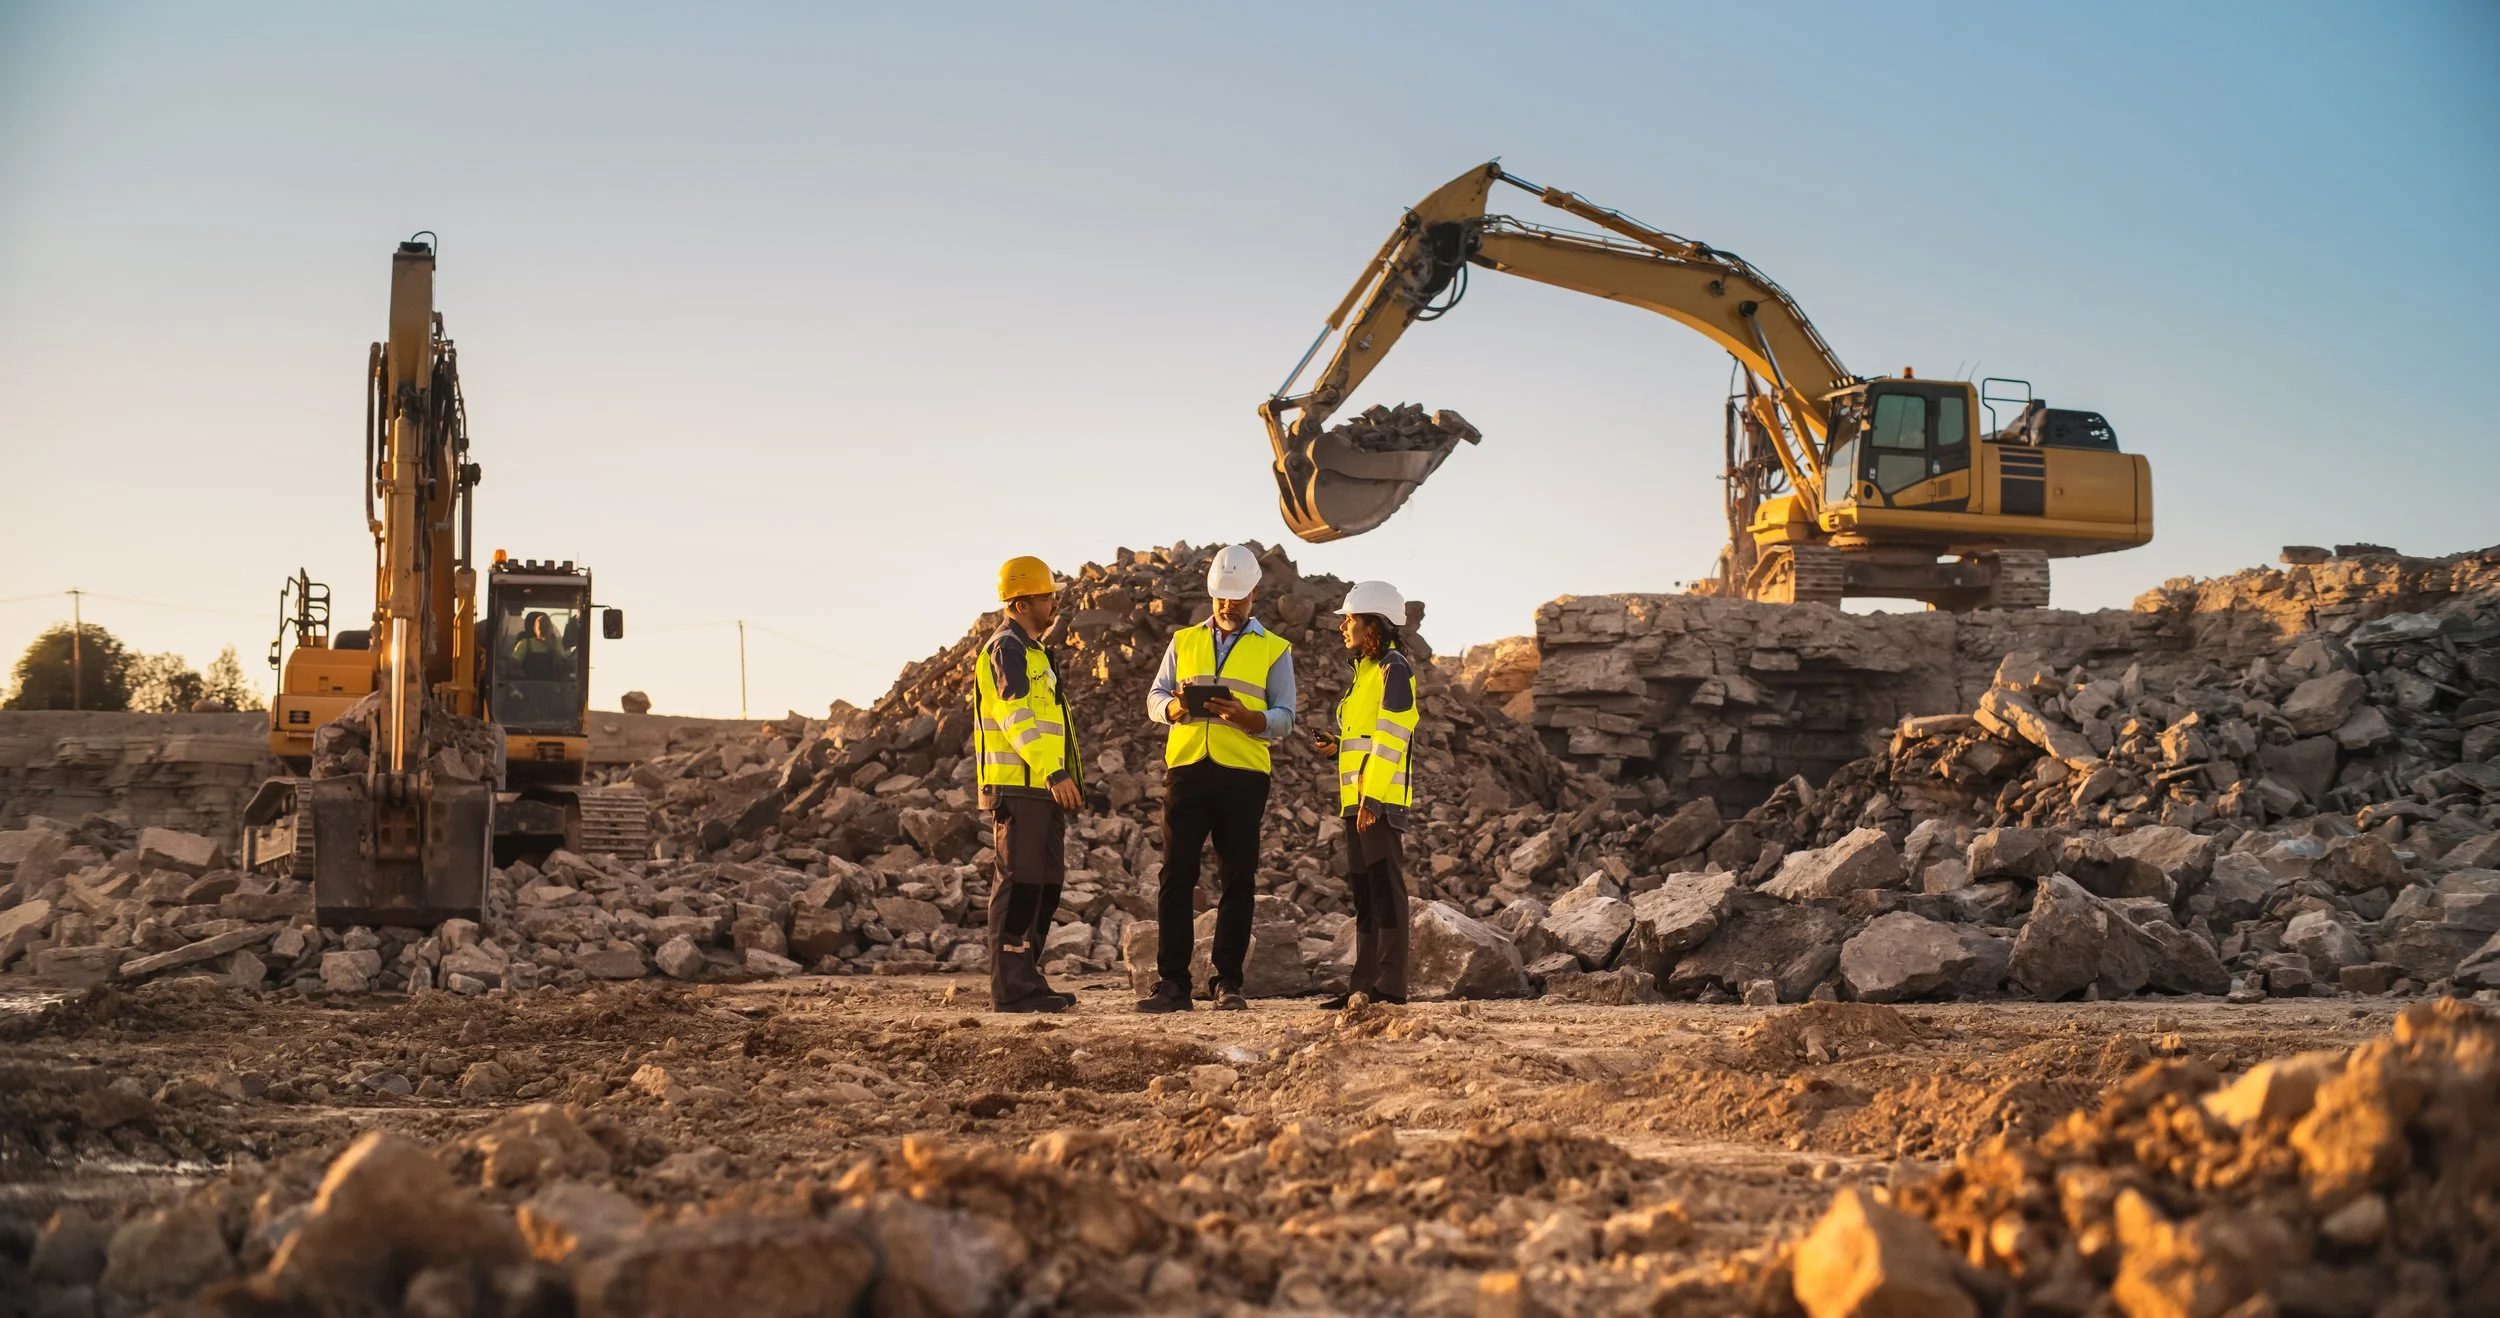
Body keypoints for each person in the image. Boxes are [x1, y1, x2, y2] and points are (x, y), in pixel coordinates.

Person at [1137, 544, 1296, 1013]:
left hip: (1243, 775)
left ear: (1254, 593)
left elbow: (1285, 716)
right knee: (1176, 876)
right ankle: (1173, 984)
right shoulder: (1183, 641)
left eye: (1237, 597)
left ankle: (1227, 982)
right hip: (1186, 770)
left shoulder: (1275, 649)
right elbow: (1154, 698)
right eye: (1220, 598)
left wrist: (1251, 719)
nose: (1228, 606)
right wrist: (1176, 707)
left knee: (1237, 880)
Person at [974, 555, 1087, 1014]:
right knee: (1019, 884)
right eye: (1046, 595)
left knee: (1046, 883)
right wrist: (1052, 771)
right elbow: (1015, 716)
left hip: (1041, 787)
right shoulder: (1008, 649)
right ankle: (1011, 989)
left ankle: (1028, 978)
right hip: (1020, 785)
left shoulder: (1035, 650)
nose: (1054, 601)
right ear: (1021, 602)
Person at [1312, 581, 1418, 1008]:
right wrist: (1337, 746)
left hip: (1379, 801)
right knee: (1364, 890)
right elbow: (1365, 736)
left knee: (1384, 889)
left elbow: (1393, 736)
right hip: (1358, 800)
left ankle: (1389, 987)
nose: (1343, 626)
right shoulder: (1366, 673)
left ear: (1372, 622)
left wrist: (1373, 799)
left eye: (1350, 619)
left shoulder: (1395, 668)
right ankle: (1362, 987)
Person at [509, 612, 574, 679]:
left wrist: (553, 649)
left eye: (546, 627)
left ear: (551, 628)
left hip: (553, 687)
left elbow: (563, 667)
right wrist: (520, 675)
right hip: (528, 685)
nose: (544, 630)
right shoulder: (525, 643)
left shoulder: (557, 644)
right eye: (541, 627)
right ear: (534, 629)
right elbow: (512, 665)